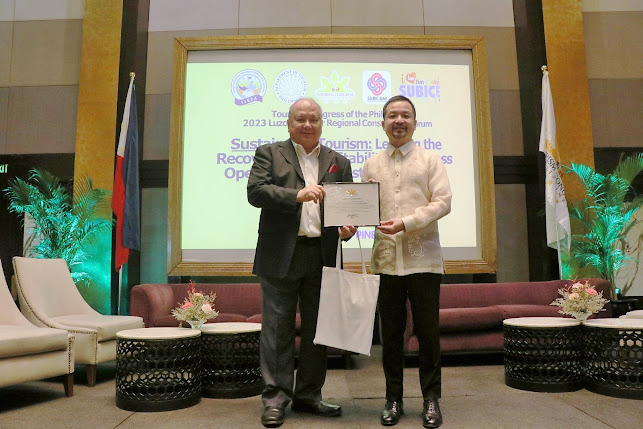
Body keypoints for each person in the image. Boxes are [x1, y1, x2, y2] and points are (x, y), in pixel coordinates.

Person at [247, 97, 357, 428]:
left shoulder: (339, 160)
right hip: (281, 253)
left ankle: (310, 394)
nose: (307, 124)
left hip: (321, 254)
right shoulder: (269, 153)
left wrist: (348, 228)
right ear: (289, 123)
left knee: (317, 330)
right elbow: (256, 191)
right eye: (300, 119)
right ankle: (276, 398)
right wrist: (296, 195)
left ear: (322, 123)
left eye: (313, 119)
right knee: (277, 330)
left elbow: (348, 211)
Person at [362, 95, 452, 428]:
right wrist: (353, 217)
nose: (398, 121)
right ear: (383, 122)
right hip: (386, 261)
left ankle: (431, 400)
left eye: (405, 115)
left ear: (415, 122)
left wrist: (407, 222)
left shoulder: (430, 160)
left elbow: (443, 202)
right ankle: (393, 399)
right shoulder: (371, 164)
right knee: (392, 335)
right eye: (392, 115)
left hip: (424, 259)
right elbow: (364, 208)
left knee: (428, 334)